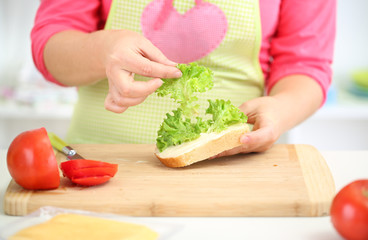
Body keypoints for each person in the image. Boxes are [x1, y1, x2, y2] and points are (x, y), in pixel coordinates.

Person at [31, 0, 336, 157]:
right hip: (98, 161)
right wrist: (102, 50)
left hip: (231, 165)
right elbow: (51, 47)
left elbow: (305, 64)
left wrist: (282, 108)